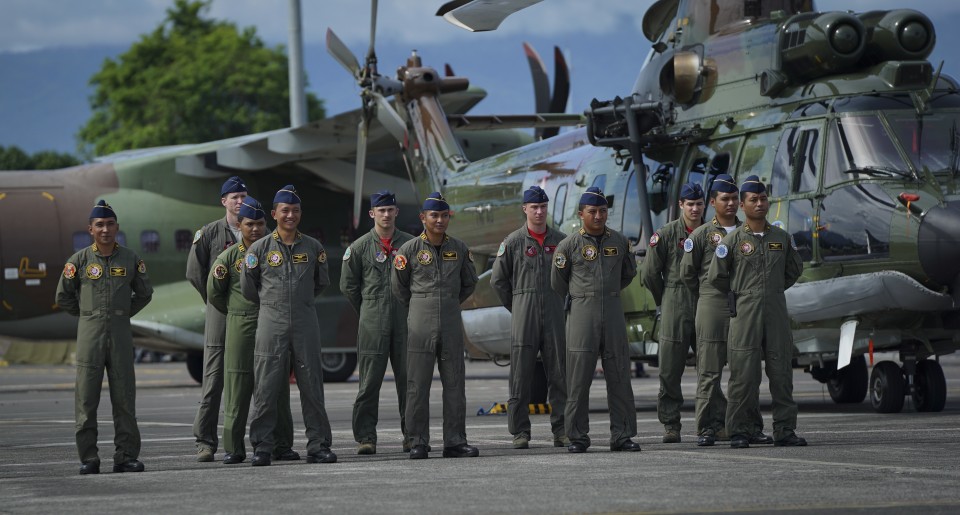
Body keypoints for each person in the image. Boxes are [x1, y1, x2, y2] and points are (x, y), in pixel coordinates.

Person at [241, 185, 337, 466]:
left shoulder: (313, 247)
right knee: (267, 386)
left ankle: (318, 445)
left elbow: (321, 282)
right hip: (271, 320)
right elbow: (248, 288)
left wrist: (300, 303)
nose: (290, 215)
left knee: (312, 386)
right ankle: (262, 447)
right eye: (285, 210)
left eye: (295, 210)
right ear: (274, 214)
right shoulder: (259, 249)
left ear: (300, 214)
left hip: (306, 321)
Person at [708, 175, 807, 448]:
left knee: (781, 373)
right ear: (743, 205)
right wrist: (744, 292)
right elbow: (717, 277)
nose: (760, 204)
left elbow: (794, 270)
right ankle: (740, 431)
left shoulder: (781, 237)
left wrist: (772, 289)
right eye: (754, 200)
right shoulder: (731, 241)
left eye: (763, 199)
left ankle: (785, 430)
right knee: (743, 376)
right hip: (745, 312)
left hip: (775, 310)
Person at [56, 200, 153, 475]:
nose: (105, 229)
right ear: (91, 229)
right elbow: (62, 296)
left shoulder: (131, 259)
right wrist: (88, 315)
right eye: (100, 225)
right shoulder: (79, 261)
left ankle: (126, 456)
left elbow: (145, 293)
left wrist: (121, 313)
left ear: (117, 227)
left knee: (125, 399)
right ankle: (88, 458)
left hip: (120, 336)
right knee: (86, 400)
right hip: (90, 337)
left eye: (110, 224)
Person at [680, 174, 772, 447]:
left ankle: (749, 426)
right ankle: (708, 427)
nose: (730, 203)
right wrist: (709, 295)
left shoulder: (751, 232)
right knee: (709, 370)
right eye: (725, 199)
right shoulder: (701, 235)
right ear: (713, 202)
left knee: (747, 371)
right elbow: (687, 273)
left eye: (734, 199)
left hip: (745, 305)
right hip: (713, 304)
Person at [207, 197, 297, 464]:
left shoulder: (276, 252)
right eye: (250, 224)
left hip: (272, 324)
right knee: (237, 386)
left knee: (277, 387)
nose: (255, 229)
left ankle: (281, 445)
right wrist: (237, 312)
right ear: (240, 225)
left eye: (260, 224)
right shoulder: (228, 257)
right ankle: (234, 448)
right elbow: (215, 294)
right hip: (241, 326)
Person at [551, 186, 641, 453]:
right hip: (582, 313)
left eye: (603, 211)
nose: (599, 216)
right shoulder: (568, 246)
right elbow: (558, 282)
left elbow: (628, 274)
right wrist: (584, 296)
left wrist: (607, 293)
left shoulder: (619, 242)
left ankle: (623, 435)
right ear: (581, 214)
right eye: (593, 211)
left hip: (612, 310)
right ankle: (577, 436)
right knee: (578, 379)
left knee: (620, 376)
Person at [392, 192, 479, 460]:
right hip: (420, 319)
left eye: (443, 215)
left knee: (455, 383)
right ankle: (417, 441)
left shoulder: (460, 248)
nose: (439, 220)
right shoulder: (409, 251)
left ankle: (455, 441)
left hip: (451, 319)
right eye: (434, 215)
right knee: (417, 384)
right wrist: (422, 304)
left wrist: (448, 302)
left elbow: (469, 282)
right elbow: (399, 287)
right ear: (423, 218)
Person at [490, 185, 569, 449]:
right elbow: (498, 281)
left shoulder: (562, 241)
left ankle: (562, 430)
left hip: (555, 313)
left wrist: (563, 302)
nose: (539, 211)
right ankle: (520, 431)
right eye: (534, 207)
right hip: (525, 314)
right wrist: (518, 305)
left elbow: (573, 277)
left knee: (559, 373)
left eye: (543, 207)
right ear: (525, 209)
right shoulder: (512, 242)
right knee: (520, 376)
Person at [340, 190, 415, 455]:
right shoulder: (359, 248)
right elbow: (348, 286)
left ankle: (413, 436)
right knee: (369, 381)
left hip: (404, 320)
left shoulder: (411, 245)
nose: (385, 214)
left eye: (389, 210)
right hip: (372, 321)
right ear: (372, 213)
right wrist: (369, 309)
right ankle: (365, 437)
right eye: (380, 210)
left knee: (409, 381)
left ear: (396, 212)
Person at [186, 175, 247, 462]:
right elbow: (195, 272)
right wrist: (215, 302)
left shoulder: (258, 231)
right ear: (224, 201)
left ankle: (262, 439)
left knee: (258, 379)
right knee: (213, 379)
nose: (239, 200)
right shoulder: (210, 233)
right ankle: (205, 442)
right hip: (220, 315)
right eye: (234, 196)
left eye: (243, 195)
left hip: (251, 314)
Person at [640, 182, 704, 443]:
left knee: (710, 368)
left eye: (699, 204)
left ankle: (711, 423)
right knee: (669, 369)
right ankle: (671, 425)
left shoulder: (714, 233)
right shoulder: (665, 234)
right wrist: (664, 300)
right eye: (690, 204)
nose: (695, 209)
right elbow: (649, 273)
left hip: (706, 301)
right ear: (681, 205)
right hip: (674, 301)